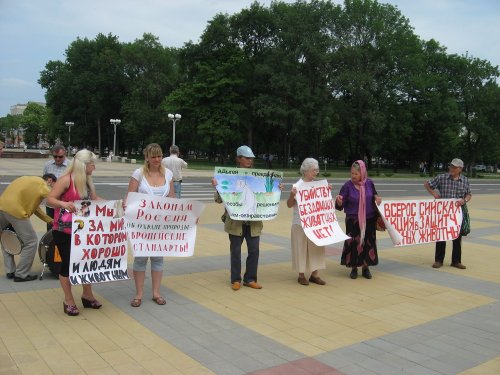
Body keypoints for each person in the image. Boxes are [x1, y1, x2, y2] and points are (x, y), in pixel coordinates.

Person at [47, 150, 102, 316]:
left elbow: (95, 199)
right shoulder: (66, 180)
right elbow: (50, 199)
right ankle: (68, 299)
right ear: (84, 165)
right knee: (68, 265)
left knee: (86, 262)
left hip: (83, 230)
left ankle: (87, 295)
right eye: (93, 164)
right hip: (64, 231)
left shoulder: (87, 181)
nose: (94, 167)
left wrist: (115, 205)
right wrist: (63, 204)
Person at [126, 143, 175, 307]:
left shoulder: (168, 174)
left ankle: (156, 293)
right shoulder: (138, 174)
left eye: (159, 156)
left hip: (160, 225)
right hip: (141, 225)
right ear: (146, 157)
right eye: (153, 156)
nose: (157, 159)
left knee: (157, 258)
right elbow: (130, 199)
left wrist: (187, 216)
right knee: (140, 258)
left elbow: (172, 200)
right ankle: (138, 294)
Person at [213, 145, 267, 291]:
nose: (250, 161)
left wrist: (276, 189)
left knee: (254, 250)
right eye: (247, 158)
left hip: (254, 222)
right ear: (239, 159)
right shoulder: (229, 176)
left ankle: (250, 279)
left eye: (251, 158)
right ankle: (235, 279)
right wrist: (218, 187)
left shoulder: (258, 176)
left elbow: (265, 195)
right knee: (236, 251)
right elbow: (219, 200)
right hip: (235, 222)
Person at [0, 174, 56, 281]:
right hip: (16, 211)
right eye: (53, 185)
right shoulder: (41, 183)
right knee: (31, 241)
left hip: (1, 207)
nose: (52, 188)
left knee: (5, 239)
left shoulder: (27, 180)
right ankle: (21, 274)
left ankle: (10, 271)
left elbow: (35, 209)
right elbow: (53, 197)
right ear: (49, 180)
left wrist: (50, 221)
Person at [335, 160, 382, 279]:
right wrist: (339, 202)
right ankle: (354, 268)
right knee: (354, 243)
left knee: (367, 243)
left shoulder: (369, 183)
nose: (353, 176)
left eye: (356, 174)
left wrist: (377, 198)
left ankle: (366, 267)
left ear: (362, 173)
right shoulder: (347, 186)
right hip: (353, 220)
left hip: (369, 219)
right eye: (352, 173)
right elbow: (339, 205)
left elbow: (375, 195)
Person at [424, 158, 471, 269]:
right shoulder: (442, 177)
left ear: (460, 169)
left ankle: (456, 261)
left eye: (454, 167)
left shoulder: (465, 180)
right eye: (450, 166)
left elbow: (469, 194)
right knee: (441, 235)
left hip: (457, 213)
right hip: (443, 212)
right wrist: (434, 193)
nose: (451, 169)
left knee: (457, 236)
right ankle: (439, 260)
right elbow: (427, 184)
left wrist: (464, 200)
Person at [286, 158, 326, 286]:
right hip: (300, 223)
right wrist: (292, 195)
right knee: (301, 248)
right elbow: (289, 205)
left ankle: (315, 274)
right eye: (314, 170)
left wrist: (326, 192)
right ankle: (301, 275)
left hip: (315, 223)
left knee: (317, 247)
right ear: (306, 170)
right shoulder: (297, 186)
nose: (316, 172)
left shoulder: (318, 185)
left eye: (317, 170)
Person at [43, 145, 69, 230]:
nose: (57, 159)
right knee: (50, 226)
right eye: (55, 156)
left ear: (65, 154)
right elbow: (44, 181)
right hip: (51, 202)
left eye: (60, 157)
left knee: (64, 227)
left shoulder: (71, 165)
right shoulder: (48, 165)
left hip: (65, 203)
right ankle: (50, 243)